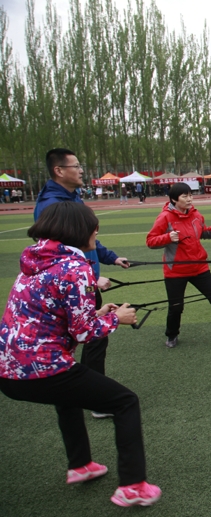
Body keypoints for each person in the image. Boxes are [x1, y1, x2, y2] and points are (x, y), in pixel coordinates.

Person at [0, 202, 161, 507]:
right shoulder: (76, 268)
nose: (96, 233)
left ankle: (81, 465)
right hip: (41, 368)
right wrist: (117, 319)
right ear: (79, 230)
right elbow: (85, 333)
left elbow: (57, 317)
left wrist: (99, 313)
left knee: (68, 397)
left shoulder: (33, 260)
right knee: (125, 402)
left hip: (8, 371)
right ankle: (133, 486)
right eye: (94, 228)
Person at [35, 148, 130, 419]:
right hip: (76, 286)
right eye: (75, 166)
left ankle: (90, 395)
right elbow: (52, 254)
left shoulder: (72, 197)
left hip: (84, 283)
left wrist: (111, 258)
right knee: (87, 337)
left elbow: (87, 238)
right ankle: (95, 399)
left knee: (94, 340)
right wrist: (88, 280)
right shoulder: (52, 205)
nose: (81, 171)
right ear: (59, 171)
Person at [145, 183, 211, 348]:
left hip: (199, 267)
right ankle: (172, 335)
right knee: (176, 307)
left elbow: (201, 231)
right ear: (174, 200)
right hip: (176, 271)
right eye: (185, 196)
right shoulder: (165, 217)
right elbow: (150, 241)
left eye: (190, 195)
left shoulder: (196, 214)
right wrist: (168, 237)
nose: (189, 199)